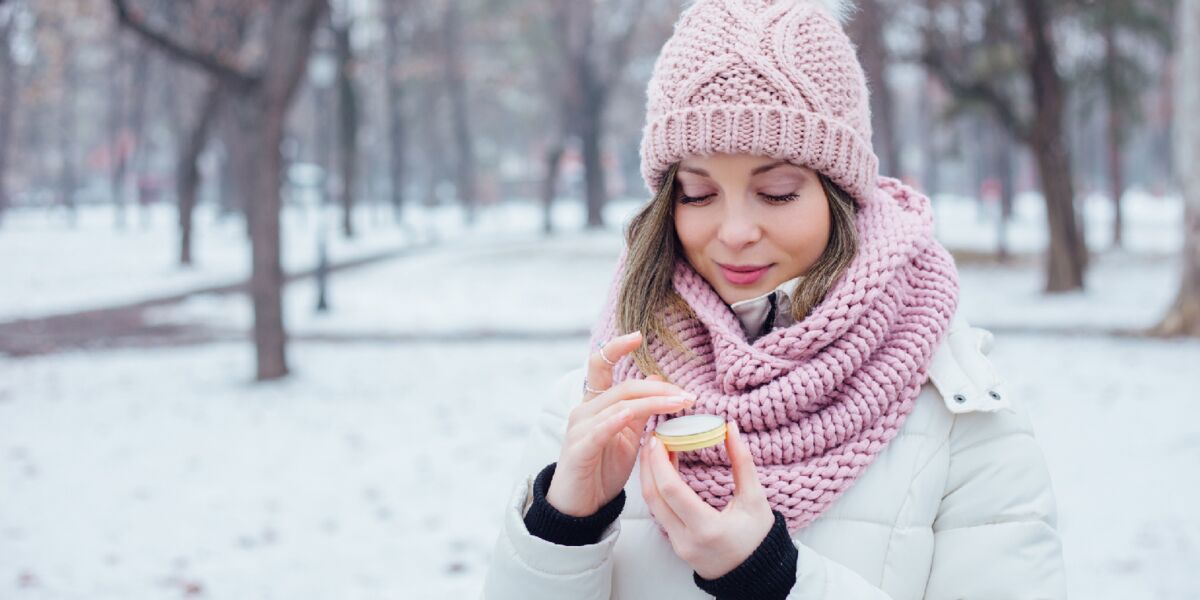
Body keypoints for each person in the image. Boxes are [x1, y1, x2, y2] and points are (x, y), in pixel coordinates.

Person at [482, 0, 1066, 598]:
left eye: (778, 192)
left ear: (841, 195)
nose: (734, 232)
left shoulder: (957, 417)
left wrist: (773, 579)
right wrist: (564, 527)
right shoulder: (600, 406)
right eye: (698, 193)